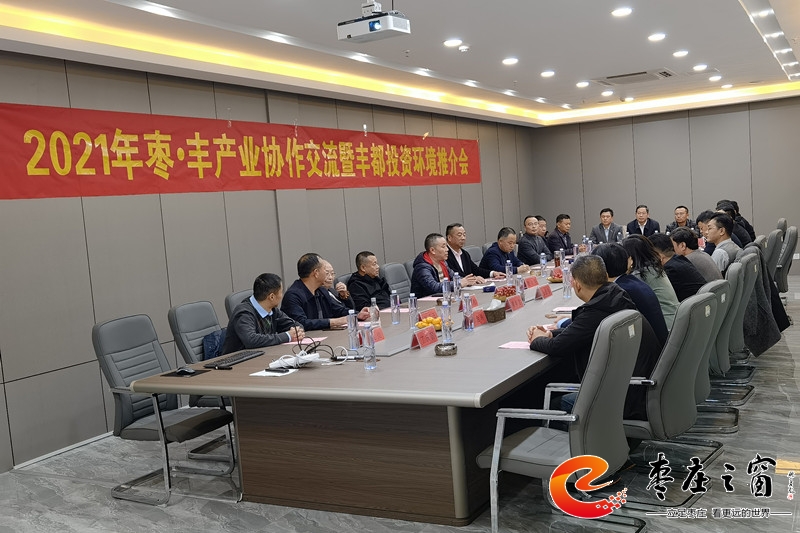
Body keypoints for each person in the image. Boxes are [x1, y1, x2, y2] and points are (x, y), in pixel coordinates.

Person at [527, 254, 661, 421]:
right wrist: (550, 334)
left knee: (554, 404)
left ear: (576, 284)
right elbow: (583, 331)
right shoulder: (616, 295)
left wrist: (537, 339)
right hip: (640, 392)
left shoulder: (596, 310)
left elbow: (557, 347)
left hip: (625, 401)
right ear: (605, 276)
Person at [592, 243, 669, 345]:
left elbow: (593, 324)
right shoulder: (632, 281)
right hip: (658, 345)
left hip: (646, 349)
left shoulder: (619, 292)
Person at [282, 253, 369, 330]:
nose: (329, 276)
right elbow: (301, 323)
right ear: (316, 273)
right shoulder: (293, 295)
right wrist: (335, 321)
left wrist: (357, 315)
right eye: (325, 270)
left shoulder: (321, 290)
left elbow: (339, 310)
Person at [223, 273, 304, 354]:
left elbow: (296, 325)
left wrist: (297, 332)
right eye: (281, 292)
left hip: (264, 354)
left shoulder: (272, 310)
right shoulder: (244, 313)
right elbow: (251, 340)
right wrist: (287, 336)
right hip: (239, 359)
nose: (282, 295)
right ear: (271, 297)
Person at [622, 235, 679, 329]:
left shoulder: (639, 275)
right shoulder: (654, 269)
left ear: (630, 257)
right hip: (674, 320)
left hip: (665, 325)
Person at [649, 233, 707, 301]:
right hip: (704, 302)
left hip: (695, 304)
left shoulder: (670, 269)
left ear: (658, 256)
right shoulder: (680, 259)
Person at [411, 233, 455, 297]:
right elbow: (434, 288)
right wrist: (458, 283)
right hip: (425, 302)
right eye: (443, 247)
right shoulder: (422, 267)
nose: (447, 249)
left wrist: (467, 280)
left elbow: (454, 276)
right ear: (432, 250)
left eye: (446, 246)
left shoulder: (443, 263)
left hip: (443, 298)